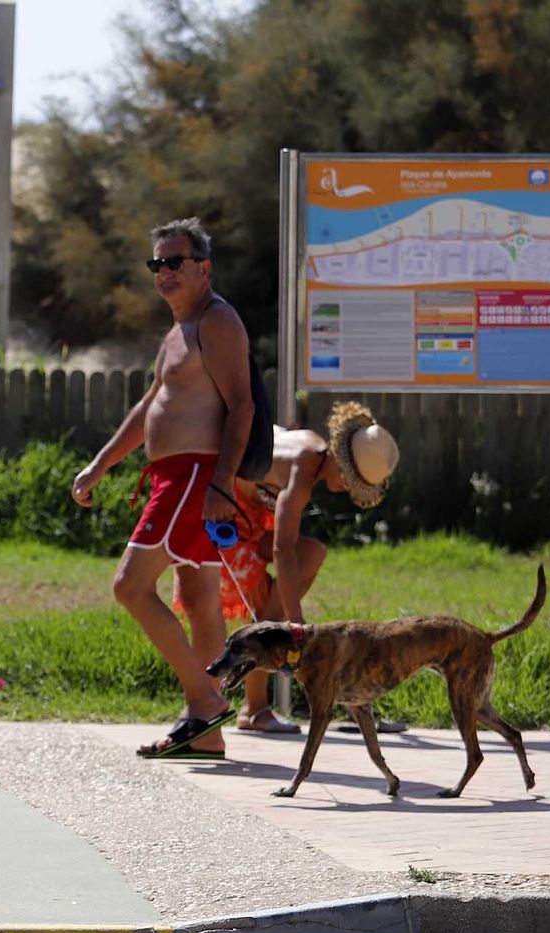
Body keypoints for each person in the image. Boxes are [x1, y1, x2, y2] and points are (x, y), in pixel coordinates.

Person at [72, 217, 256, 760]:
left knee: (130, 586)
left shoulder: (217, 322)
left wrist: (221, 482)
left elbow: (242, 404)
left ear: (204, 267)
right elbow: (151, 404)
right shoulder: (178, 331)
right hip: (175, 477)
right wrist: (101, 464)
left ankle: (206, 701)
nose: (164, 272)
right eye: (157, 263)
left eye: (175, 262)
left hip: (197, 477)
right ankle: (210, 734)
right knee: (200, 600)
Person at [188, 403, 401, 733]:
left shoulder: (313, 450)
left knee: (312, 554)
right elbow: (283, 550)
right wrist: (296, 620)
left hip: (249, 518)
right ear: (342, 466)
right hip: (219, 515)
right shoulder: (303, 469)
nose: (347, 490)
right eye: (352, 482)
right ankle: (253, 707)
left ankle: (255, 704)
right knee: (267, 606)